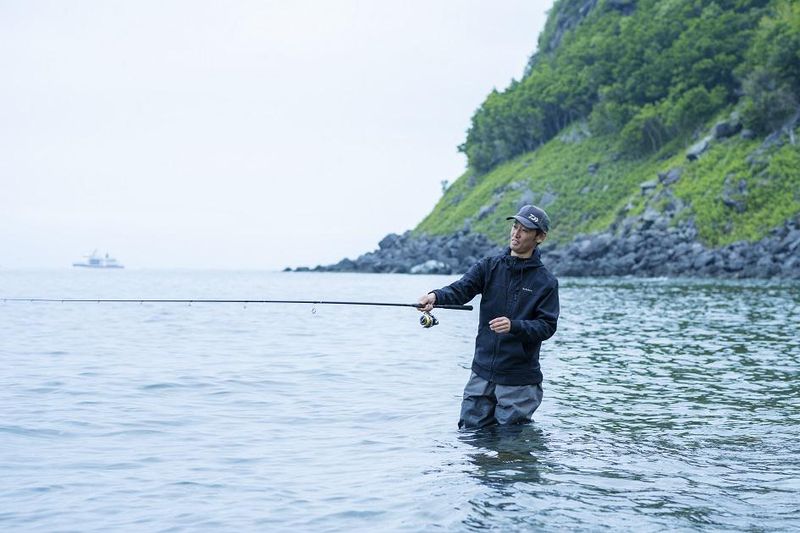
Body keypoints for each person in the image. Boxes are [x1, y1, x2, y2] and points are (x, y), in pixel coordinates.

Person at [418, 205, 559, 428]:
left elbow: (547, 326)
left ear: (540, 237)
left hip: (518, 381)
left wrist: (514, 326)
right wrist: (435, 296)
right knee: (470, 437)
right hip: (481, 374)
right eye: (515, 226)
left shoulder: (546, 282)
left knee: (511, 445)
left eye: (525, 230)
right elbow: (461, 289)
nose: (516, 233)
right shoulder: (489, 266)